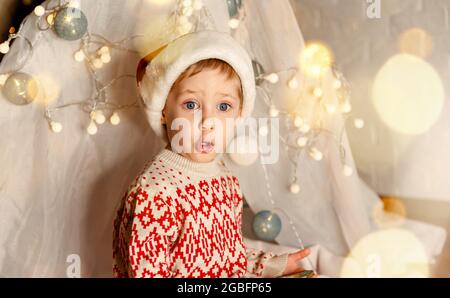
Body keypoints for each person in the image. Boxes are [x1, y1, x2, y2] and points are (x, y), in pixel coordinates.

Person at [112, 30, 312, 278]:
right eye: (191, 105)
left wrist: (271, 266)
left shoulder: (225, 180)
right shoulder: (155, 192)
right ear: (163, 111)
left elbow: (226, 256)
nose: (208, 122)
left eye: (223, 107)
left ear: (239, 116)